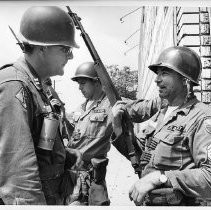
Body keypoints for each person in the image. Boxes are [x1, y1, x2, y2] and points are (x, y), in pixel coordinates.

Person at [0, 6, 82, 205]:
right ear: (43, 47)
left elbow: (35, 143)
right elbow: (19, 178)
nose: (70, 56)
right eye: (65, 49)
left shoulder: (36, 85)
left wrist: (62, 154)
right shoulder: (15, 85)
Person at [111, 46, 211, 206]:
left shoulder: (201, 117)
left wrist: (160, 177)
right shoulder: (162, 113)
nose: (157, 79)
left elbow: (209, 176)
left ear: (185, 80)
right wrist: (118, 128)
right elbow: (139, 154)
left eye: (165, 73)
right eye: (158, 73)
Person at [66, 62, 112, 206]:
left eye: (83, 83)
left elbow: (139, 108)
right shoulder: (81, 108)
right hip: (72, 176)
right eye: (78, 84)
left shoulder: (111, 105)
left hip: (92, 178)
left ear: (97, 82)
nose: (79, 87)